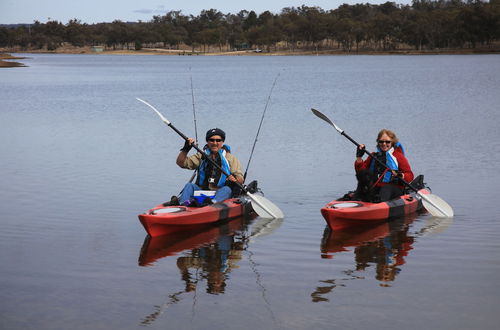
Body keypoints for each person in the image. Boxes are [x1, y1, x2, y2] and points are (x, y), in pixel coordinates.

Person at [173, 128, 244, 206]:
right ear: (207, 141)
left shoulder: (231, 158)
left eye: (218, 140)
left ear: (222, 142)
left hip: (220, 192)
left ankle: (212, 203)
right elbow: (181, 163)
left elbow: (240, 179)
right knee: (189, 186)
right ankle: (183, 204)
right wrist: (185, 149)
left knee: (227, 189)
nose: (215, 143)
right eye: (211, 140)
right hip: (201, 190)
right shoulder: (201, 156)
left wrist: (234, 178)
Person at [355, 129, 414, 202]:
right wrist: (359, 157)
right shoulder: (373, 156)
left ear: (392, 142)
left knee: (386, 188)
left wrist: (401, 175)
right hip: (376, 187)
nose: (384, 144)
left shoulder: (398, 156)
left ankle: (378, 204)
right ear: (378, 142)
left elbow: (410, 175)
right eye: (381, 141)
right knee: (362, 187)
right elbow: (360, 173)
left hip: (393, 189)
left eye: (387, 142)